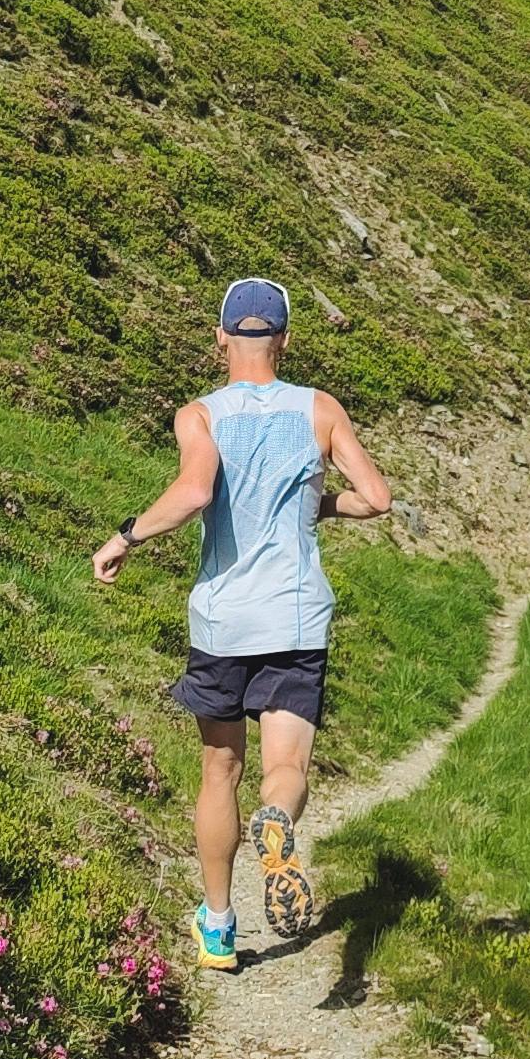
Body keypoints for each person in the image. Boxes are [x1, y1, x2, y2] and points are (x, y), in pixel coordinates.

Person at [91, 276, 391, 968]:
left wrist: (127, 537)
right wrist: (319, 506)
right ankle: (279, 821)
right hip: (295, 618)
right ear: (285, 339)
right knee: (285, 766)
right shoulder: (321, 410)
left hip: (223, 622)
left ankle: (219, 928)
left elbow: (197, 492)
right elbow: (376, 498)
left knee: (218, 770)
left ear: (221, 336)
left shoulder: (200, 414)